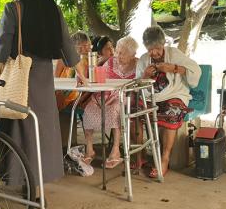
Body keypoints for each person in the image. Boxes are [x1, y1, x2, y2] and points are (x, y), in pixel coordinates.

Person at [0, 0, 86, 185]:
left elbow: (1, 50)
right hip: (44, 78)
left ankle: (23, 181)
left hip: (20, 77)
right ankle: (42, 178)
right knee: (43, 128)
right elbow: (67, 46)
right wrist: (82, 73)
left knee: (21, 127)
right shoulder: (53, 10)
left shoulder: (14, 10)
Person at [136, 26, 201, 178]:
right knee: (133, 112)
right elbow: (138, 83)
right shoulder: (144, 60)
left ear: (163, 44)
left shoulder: (174, 54)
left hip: (175, 94)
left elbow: (195, 70)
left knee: (172, 111)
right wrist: (145, 75)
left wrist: (175, 68)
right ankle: (140, 155)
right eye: (150, 49)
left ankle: (164, 159)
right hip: (151, 97)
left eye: (157, 48)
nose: (154, 53)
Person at [82, 36, 138, 168]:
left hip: (124, 96)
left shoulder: (138, 64)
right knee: (89, 107)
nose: (117, 55)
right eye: (117, 51)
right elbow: (101, 80)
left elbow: (139, 84)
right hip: (106, 94)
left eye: (122, 53)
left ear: (132, 54)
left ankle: (115, 151)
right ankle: (89, 149)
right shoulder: (111, 62)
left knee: (114, 109)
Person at [55, 32, 90, 110]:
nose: (86, 49)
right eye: (82, 46)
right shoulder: (63, 58)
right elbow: (55, 78)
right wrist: (58, 92)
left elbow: (93, 86)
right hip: (62, 93)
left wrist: (82, 99)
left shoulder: (91, 61)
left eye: (87, 45)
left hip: (79, 95)